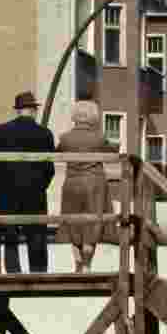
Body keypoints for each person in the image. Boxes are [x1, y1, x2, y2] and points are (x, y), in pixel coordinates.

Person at [0, 91, 56, 273]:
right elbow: (50, 169)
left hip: (7, 191)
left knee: (10, 233)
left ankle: (13, 271)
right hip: (35, 192)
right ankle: (38, 272)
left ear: (17, 110)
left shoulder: (0, 131)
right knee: (36, 234)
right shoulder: (45, 134)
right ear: (34, 110)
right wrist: (40, 186)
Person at [57, 100, 117, 273]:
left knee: (72, 222)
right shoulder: (99, 138)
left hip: (72, 183)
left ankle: (76, 263)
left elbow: (57, 152)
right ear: (93, 116)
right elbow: (113, 153)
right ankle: (87, 264)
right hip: (94, 183)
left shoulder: (65, 138)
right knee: (93, 224)